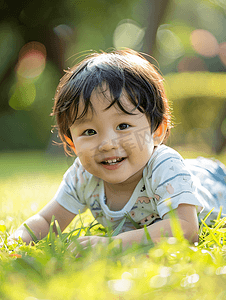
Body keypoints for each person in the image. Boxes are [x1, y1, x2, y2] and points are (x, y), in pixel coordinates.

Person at [9, 49, 226, 249]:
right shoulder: (83, 176)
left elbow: (186, 229)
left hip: (215, 181)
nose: (108, 143)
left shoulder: (164, 166)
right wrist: (16, 242)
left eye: (123, 126)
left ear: (157, 130)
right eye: (90, 132)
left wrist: (113, 243)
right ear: (71, 142)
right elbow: (47, 220)